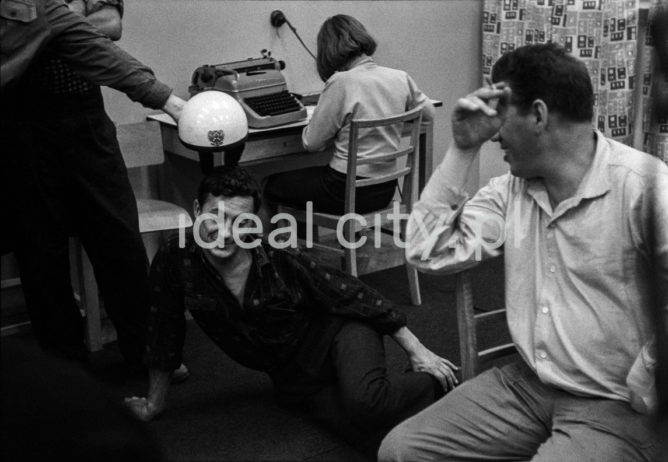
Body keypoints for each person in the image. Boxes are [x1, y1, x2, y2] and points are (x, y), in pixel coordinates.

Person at [378, 43, 668, 461]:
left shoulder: (641, 185)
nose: (493, 132)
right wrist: (461, 150)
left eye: (500, 116)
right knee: (400, 452)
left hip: (619, 403)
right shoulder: (510, 191)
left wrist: (652, 370)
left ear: (538, 115)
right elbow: (427, 251)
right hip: (530, 386)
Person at [124, 166, 459, 448]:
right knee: (369, 437)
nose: (224, 233)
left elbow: (353, 293)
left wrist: (418, 352)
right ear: (197, 210)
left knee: (366, 405)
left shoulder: (280, 257)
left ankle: (439, 383)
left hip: (342, 333)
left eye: (239, 222)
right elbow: (163, 328)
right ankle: (415, 412)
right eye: (215, 217)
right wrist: (155, 403)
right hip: (294, 380)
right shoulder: (174, 257)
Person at [0, 0, 185, 365]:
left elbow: (109, 26)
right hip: (21, 125)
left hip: (84, 121)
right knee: (40, 257)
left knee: (120, 243)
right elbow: (79, 32)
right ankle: (65, 374)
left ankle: (148, 356)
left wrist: (50, 22)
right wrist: (56, 17)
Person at [263, 14, 435, 216]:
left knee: (271, 184)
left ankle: (283, 246)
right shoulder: (400, 77)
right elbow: (428, 114)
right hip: (384, 190)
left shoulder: (340, 82)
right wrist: (389, 117)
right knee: (304, 181)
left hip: (342, 191)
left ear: (329, 49)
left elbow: (312, 144)